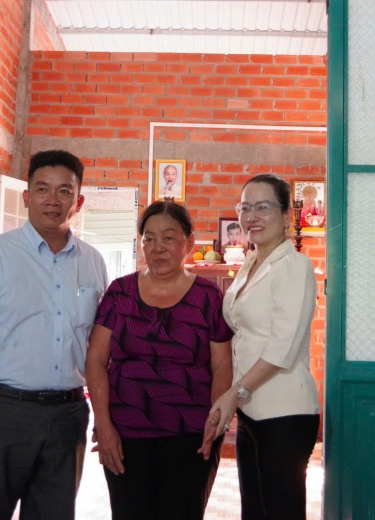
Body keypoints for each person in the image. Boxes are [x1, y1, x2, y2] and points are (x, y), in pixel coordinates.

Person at [0, 149, 108, 520]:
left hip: (68, 416)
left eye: (64, 191)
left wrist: (104, 413)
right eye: (42, 189)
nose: (53, 200)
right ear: (26, 196)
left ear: (79, 201)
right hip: (3, 414)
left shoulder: (93, 262)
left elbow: (99, 348)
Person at [86, 201, 233, 520]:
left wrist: (216, 421)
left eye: (168, 237)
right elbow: (96, 360)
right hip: (125, 434)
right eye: (149, 238)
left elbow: (222, 365)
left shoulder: (208, 297)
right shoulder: (120, 293)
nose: (158, 247)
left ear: (189, 243)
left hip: (191, 435)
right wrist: (103, 424)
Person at [200, 174, 320, 520]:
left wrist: (234, 393)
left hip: (285, 413)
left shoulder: (294, 265)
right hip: (251, 410)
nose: (251, 216)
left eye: (263, 207)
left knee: (281, 512)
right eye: (245, 208)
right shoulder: (251, 261)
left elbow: (282, 348)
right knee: (253, 511)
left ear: (285, 215)